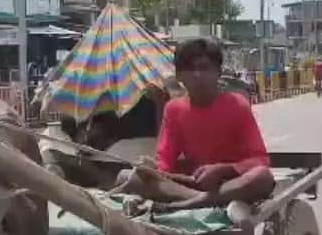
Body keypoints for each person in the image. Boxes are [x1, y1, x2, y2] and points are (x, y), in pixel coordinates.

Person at [113, 38, 275, 210]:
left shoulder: (238, 105)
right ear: (178, 76)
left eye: (204, 68)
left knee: (262, 176)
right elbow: (165, 161)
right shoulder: (173, 109)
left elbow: (260, 160)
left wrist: (224, 169)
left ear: (218, 73)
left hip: (233, 183)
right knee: (127, 176)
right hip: (195, 183)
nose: (197, 75)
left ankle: (190, 203)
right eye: (189, 69)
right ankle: (201, 200)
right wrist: (151, 167)